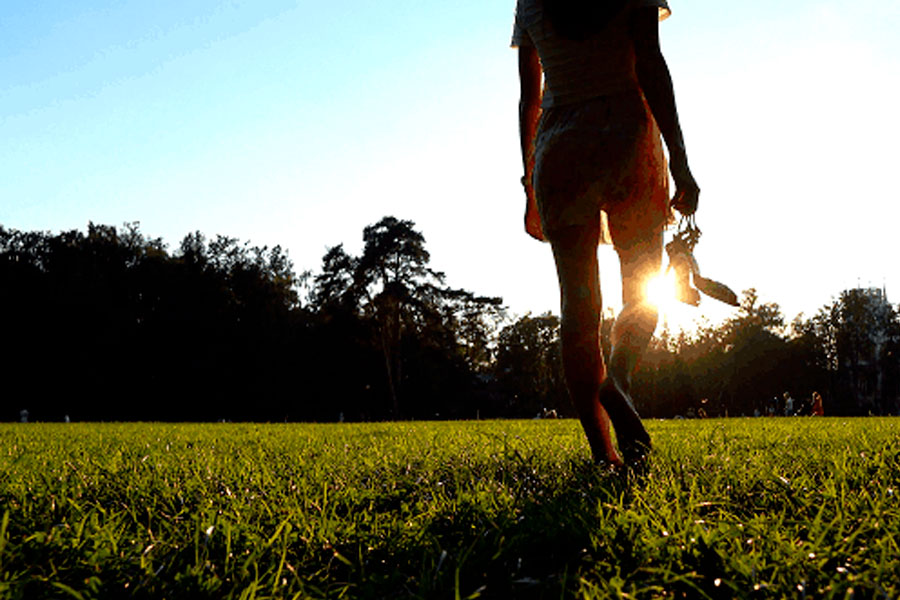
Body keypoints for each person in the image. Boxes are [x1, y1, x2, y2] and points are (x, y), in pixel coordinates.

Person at [512, 0, 700, 466]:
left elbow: (529, 98)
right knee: (642, 289)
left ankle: (604, 453)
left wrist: (528, 181)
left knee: (578, 310)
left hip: (558, 148)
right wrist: (680, 161)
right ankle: (618, 376)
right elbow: (650, 63)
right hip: (626, 135)